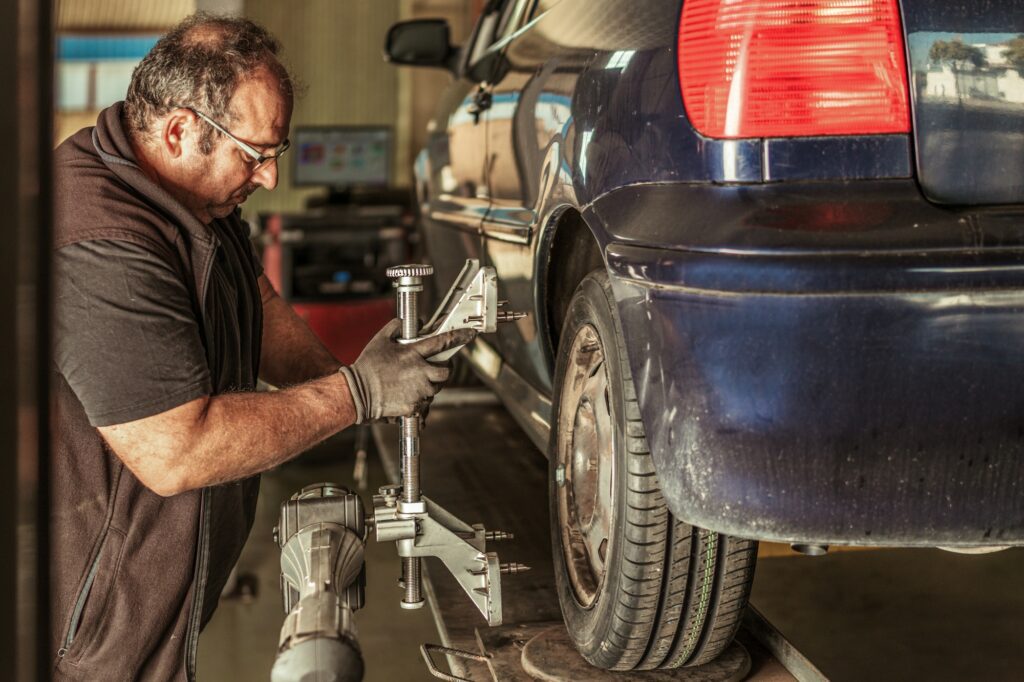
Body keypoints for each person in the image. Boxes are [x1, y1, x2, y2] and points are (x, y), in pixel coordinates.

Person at [50, 13, 470, 681]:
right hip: (82, 634)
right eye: (255, 154)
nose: (271, 177)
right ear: (181, 130)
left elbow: (259, 304)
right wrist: (358, 394)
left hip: (141, 602)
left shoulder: (192, 202)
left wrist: (359, 379)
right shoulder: (100, 240)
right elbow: (175, 449)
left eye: (276, 151)